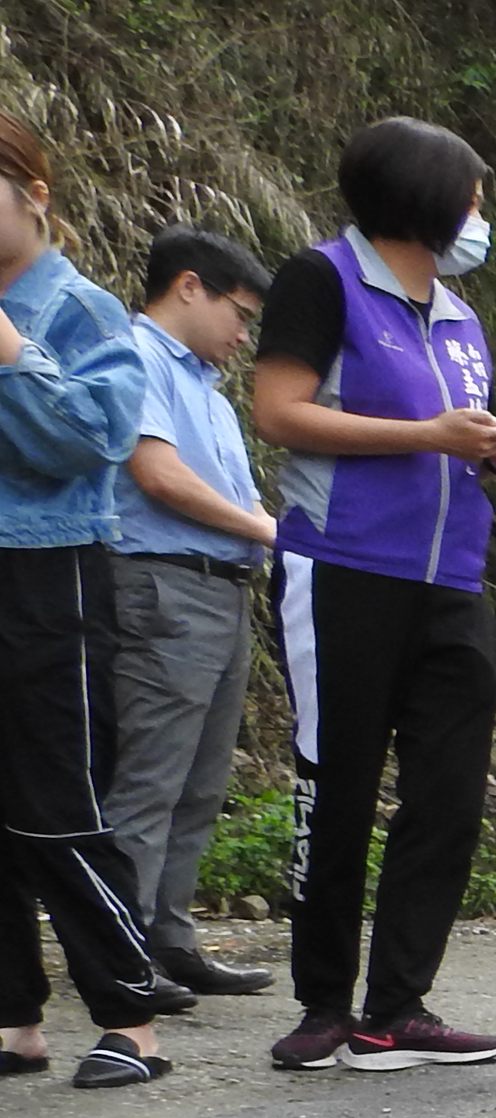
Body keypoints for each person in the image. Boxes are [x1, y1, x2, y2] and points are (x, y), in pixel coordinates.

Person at [252, 116, 496, 1073]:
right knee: (334, 789)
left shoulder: (461, 316)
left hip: (453, 580)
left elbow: (454, 435)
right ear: (423, 197)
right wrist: (430, 435)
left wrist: (492, 450)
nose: (480, 213)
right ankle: (325, 1004)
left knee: (451, 795)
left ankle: (398, 1007)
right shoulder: (321, 279)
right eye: (472, 194)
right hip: (342, 567)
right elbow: (280, 413)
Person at [0, 111, 185, 1091]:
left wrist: (7, 352)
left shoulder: (80, 310)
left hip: (50, 570)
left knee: (57, 803)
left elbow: (90, 441)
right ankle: (14, 1021)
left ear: (36, 192)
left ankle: (131, 1020)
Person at [109, 226, 277, 1001]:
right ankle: (118, 949)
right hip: (162, 584)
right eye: (238, 313)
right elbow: (158, 476)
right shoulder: (135, 357)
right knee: (151, 777)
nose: (244, 335)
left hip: (219, 591)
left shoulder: (205, 389)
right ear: (186, 287)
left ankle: (168, 937)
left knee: (201, 781)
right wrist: (268, 528)